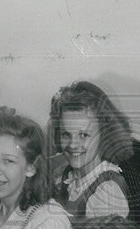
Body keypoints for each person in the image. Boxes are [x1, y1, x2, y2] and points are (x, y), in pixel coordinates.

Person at [49, 81, 131, 220]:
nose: (73, 145)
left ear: (104, 135)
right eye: (66, 134)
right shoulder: (67, 175)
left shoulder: (107, 191)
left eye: (84, 135)